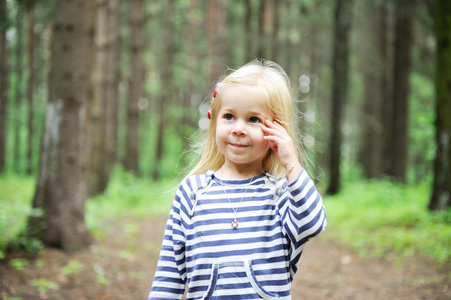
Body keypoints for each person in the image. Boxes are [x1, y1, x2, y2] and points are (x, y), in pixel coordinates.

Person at [148, 59, 326, 300]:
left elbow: (313, 223)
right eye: (229, 116)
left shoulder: (281, 193)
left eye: (253, 119)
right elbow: (168, 276)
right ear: (214, 120)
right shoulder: (192, 191)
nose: (238, 128)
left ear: (277, 130)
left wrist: (291, 163)